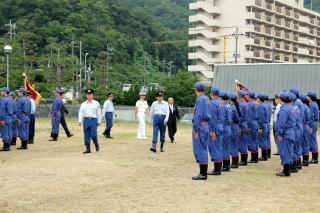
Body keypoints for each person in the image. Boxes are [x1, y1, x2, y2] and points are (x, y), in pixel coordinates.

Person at [191, 82, 211, 180]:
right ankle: (203, 172)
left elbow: (198, 115)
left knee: (200, 150)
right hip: (206, 126)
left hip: (200, 127)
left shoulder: (200, 99)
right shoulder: (207, 99)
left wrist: (195, 129)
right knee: (204, 149)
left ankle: (203, 173)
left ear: (196, 89)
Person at [275, 92, 296, 177]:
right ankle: (287, 170)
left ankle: (286, 171)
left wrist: (280, 134)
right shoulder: (291, 107)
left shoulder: (284, 109)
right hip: (290, 132)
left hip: (285, 133)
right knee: (289, 152)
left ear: (281, 99)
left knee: (285, 152)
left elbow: (281, 123)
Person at [78, 89, 102, 154]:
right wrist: (80, 120)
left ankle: (96, 144)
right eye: (88, 94)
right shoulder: (83, 104)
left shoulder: (96, 103)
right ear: (86, 95)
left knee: (93, 134)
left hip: (93, 120)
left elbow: (99, 113)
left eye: (90, 94)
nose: (89, 96)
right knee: (86, 135)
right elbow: (81, 113)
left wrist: (99, 121)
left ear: (92, 95)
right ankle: (88, 149)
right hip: (86, 120)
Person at [207, 87, 224, 176]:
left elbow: (212, 118)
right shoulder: (221, 103)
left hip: (215, 127)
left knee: (214, 148)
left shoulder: (212, 103)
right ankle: (218, 168)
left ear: (211, 94)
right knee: (219, 147)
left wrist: (212, 131)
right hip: (220, 126)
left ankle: (217, 170)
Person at [289, 90, 303, 173]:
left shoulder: (292, 107)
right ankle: (297, 165)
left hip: (295, 129)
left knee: (293, 148)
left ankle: (294, 166)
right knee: (297, 147)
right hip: (299, 128)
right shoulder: (297, 106)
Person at [220, 91, 233, 172]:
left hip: (224, 127)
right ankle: (227, 164)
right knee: (227, 146)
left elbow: (222, 119)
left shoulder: (222, 106)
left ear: (221, 98)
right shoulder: (229, 106)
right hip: (229, 127)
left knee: (223, 147)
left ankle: (225, 166)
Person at [246, 91, 259, 163]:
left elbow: (248, 116)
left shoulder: (249, 104)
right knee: (255, 140)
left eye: (247, 95)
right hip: (256, 122)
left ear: (249, 96)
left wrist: (248, 126)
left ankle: (253, 158)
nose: (246, 97)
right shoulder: (256, 103)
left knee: (251, 141)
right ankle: (255, 157)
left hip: (251, 122)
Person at [237, 90, 249, 166]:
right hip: (246, 123)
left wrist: (240, 127)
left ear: (239, 96)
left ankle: (243, 160)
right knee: (244, 142)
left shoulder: (240, 105)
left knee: (242, 143)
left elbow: (240, 117)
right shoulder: (246, 104)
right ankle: (244, 159)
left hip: (242, 124)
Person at [0, 87, 14, 152]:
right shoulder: (11, 99)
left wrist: (1, 119)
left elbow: (2, 110)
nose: (1, 92)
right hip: (10, 117)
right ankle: (8, 146)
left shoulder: (3, 99)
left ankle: (6, 147)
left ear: (5, 92)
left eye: (2, 91)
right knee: (9, 132)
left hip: (5, 118)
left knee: (4, 132)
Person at [306, 91, 319, 164]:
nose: (306, 97)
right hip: (314, 123)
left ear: (310, 97)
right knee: (313, 140)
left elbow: (310, 116)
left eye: (307, 96)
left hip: (312, 123)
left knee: (312, 141)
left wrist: (310, 127)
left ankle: (315, 159)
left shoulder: (311, 104)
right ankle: (315, 158)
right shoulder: (315, 103)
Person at [229, 93, 240, 168]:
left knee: (232, 144)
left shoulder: (231, 107)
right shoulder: (235, 107)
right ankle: (236, 162)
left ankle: (234, 163)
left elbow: (229, 120)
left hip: (232, 126)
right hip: (236, 126)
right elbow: (237, 118)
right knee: (235, 144)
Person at [299, 94, 311, 166]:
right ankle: (306, 160)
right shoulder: (306, 106)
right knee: (306, 143)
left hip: (303, 126)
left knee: (303, 144)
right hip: (307, 126)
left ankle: (305, 161)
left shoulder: (302, 107)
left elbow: (301, 118)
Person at [257, 94, 269, 161]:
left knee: (262, 140)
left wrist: (260, 127)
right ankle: (265, 155)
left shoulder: (261, 106)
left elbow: (261, 117)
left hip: (263, 124)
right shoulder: (266, 105)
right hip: (266, 123)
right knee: (265, 140)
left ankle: (264, 156)